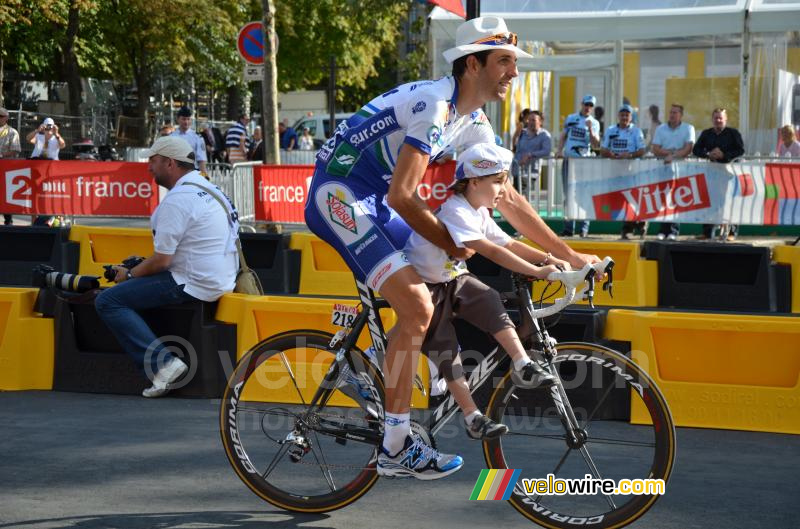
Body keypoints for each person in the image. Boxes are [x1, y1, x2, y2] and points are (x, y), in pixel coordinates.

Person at [304, 15, 598, 480]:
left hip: (375, 201)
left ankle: (407, 379)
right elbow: (405, 195)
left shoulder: (473, 120)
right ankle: (396, 445)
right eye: (504, 62)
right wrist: (453, 243)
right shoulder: (434, 107)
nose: (513, 73)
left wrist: (571, 257)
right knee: (419, 304)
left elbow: (509, 198)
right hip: (337, 194)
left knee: (447, 279)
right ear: (472, 65)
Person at [405, 143, 561, 439]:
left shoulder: (478, 212)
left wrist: (553, 260)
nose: (503, 191)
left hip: (452, 278)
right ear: (474, 182)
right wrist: (538, 271)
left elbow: (510, 243)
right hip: (426, 286)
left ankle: (522, 363)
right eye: (498, 182)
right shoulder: (456, 211)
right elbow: (491, 251)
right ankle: (472, 416)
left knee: (488, 297)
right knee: (447, 349)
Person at [95, 136, 239, 398]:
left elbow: (162, 261)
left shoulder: (177, 200)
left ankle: (164, 364)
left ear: (170, 163)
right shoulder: (210, 189)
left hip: (195, 280)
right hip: (221, 276)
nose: (149, 167)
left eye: (153, 161)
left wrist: (128, 274)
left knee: (108, 300)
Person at [692, 108, 745, 240]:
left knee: (729, 202)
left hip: (729, 172)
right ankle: (707, 232)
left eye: (721, 118)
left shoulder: (733, 133)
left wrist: (724, 155)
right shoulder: (706, 133)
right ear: (712, 119)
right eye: (716, 118)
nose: (718, 120)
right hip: (711, 172)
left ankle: (732, 232)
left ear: (726, 119)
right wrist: (708, 154)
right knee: (709, 201)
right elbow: (696, 149)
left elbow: (741, 150)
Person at [650, 103, 695, 240]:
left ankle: (673, 231)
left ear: (681, 115)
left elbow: (688, 149)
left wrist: (672, 155)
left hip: (680, 169)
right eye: (671, 112)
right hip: (663, 168)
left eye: (675, 112)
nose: (672, 115)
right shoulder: (661, 128)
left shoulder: (688, 128)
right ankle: (663, 230)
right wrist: (671, 153)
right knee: (663, 199)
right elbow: (655, 148)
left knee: (677, 199)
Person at [601, 104, 646, 240]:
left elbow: (642, 150)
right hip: (615, 172)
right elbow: (603, 149)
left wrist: (630, 155)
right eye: (622, 114)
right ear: (618, 116)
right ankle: (628, 228)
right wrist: (611, 154)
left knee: (634, 200)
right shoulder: (610, 130)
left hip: (632, 172)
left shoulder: (637, 131)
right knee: (621, 201)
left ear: (631, 117)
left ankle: (641, 224)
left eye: (627, 115)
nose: (624, 117)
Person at [558, 95, 601, 237]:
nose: (588, 107)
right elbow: (564, 135)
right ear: (581, 104)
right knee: (568, 194)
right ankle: (569, 228)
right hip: (569, 160)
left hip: (584, 162)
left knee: (584, 195)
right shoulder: (571, 118)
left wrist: (591, 130)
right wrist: (559, 150)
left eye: (590, 105)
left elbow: (596, 144)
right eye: (586, 104)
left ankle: (584, 228)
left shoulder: (594, 122)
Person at [512, 110, 551, 191]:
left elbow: (546, 151)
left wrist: (530, 155)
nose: (530, 122)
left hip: (531, 172)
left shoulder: (544, 135)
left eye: (533, 120)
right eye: (529, 120)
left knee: (523, 195)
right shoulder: (523, 132)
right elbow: (517, 148)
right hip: (517, 171)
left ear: (540, 121)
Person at [170, 106, 207, 175]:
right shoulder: (171, 137)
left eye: (188, 119)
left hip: (193, 172)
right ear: (178, 119)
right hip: (176, 173)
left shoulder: (197, 137)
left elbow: (201, 160)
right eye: (183, 119)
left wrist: (204, 177)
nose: (186, 122)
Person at [0, 107, 22, 225]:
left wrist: (2, 154)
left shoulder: (12, 132)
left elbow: (15, 150)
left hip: (6, 168)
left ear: (6, 118)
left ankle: (8, 221)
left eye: (1, 116)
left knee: (5, 194)